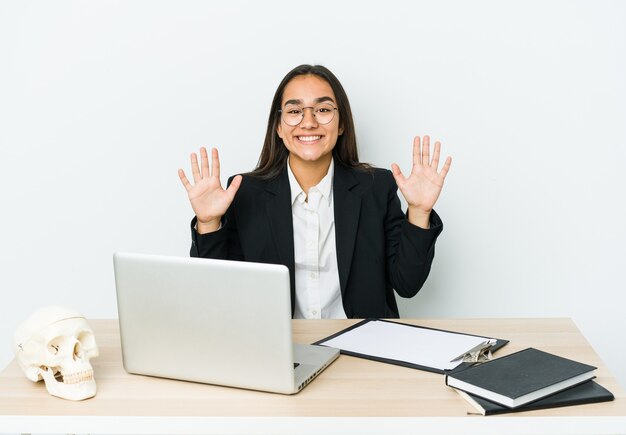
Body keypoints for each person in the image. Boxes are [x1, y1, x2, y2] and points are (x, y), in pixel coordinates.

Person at [178, 64, 451, 319]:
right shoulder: (246, 193)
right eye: (295, 111)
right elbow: (217, 295)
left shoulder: (375, 188)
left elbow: (407, 283)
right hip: (278, 349)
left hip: (362, 348)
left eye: (322, 110)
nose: (308, 122)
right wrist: (209, 223)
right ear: (279, 127)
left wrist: (418, 212)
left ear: (341, 124)